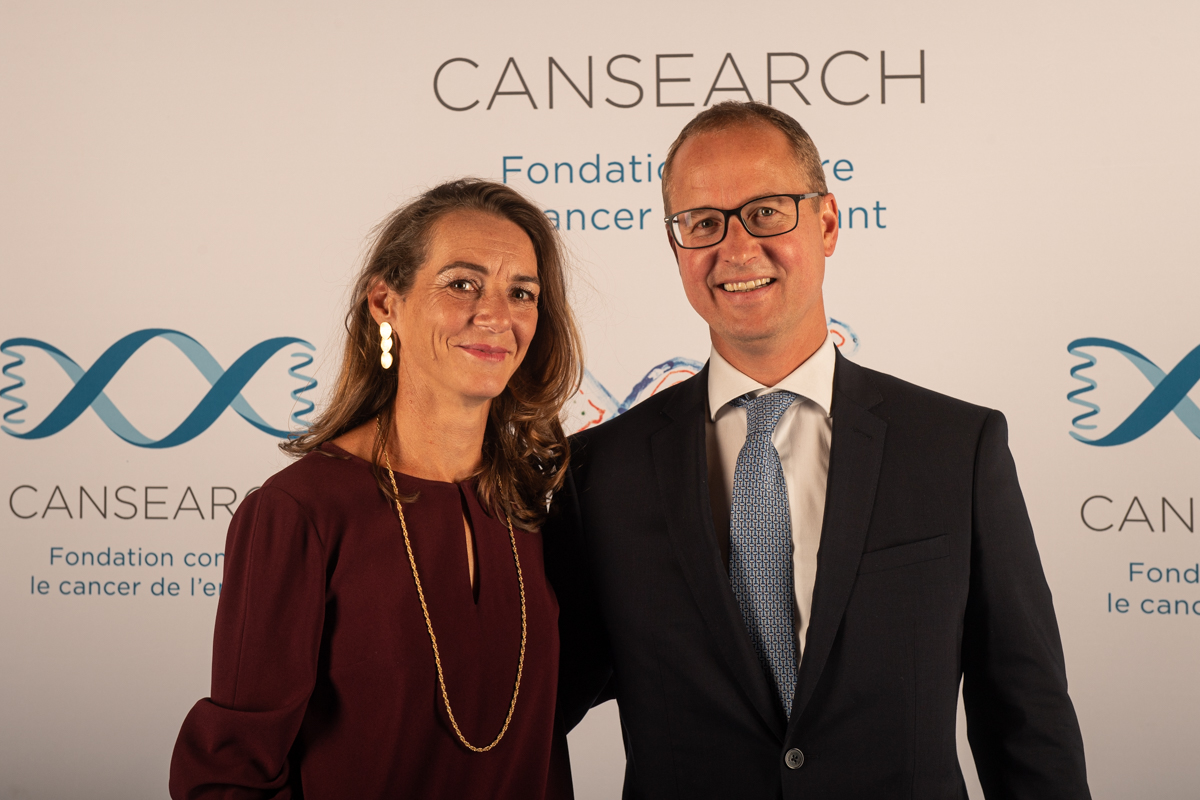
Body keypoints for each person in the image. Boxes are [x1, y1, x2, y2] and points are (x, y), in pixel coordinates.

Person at [544, 102, 1091, 799]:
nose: (736, 248)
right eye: (702, 223)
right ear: (676, 247)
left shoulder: (956, 449)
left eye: (766, 212)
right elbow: (535, 711)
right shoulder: (599, 472)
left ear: (828, 223)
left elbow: (1027, 719)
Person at [170, 179, 582, 799]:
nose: (497, 316)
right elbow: (231, 777)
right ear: (386, 301)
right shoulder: (298, 512)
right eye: (462, 284)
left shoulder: (532, 505)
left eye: (521, 293)